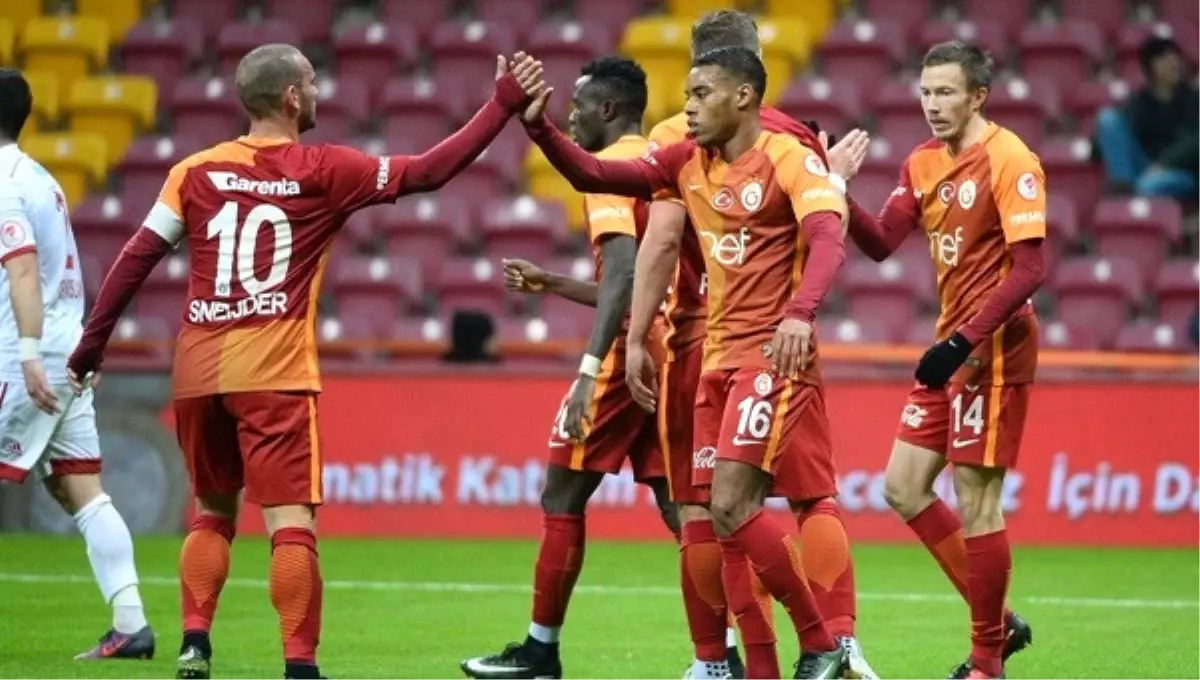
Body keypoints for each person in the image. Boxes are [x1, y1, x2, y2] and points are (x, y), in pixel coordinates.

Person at [65, 44, 541, 680]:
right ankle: (299, 667)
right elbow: (429, 172)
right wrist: (501, 105)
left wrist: (90, 346)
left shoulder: (194, 170)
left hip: (198, 370)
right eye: (312, 83)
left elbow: (135, 256)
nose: (319, 92)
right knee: (290, 526)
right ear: (291, 97)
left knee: (212, 512)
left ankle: (195, 641)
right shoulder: (324, 169)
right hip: (274, 371)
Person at [519, 46, 852, 680]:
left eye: (701, 94)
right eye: (689, 95)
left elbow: (828, 240)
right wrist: (540, 130)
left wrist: (799, 314)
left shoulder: (787, 156)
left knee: (731, 506)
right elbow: (594, 172)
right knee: (711, 517)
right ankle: (765, 666)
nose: (688, 107)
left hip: (766, 356)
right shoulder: (683, 162)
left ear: (743, 97)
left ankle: (819, 642)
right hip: (711, 362)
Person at [623, 11, 878, 680]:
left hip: (700, 337)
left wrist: (636, 335)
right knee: (811, 495)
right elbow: (831, 225)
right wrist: (838, 182)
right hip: (786, 341)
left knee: (708, 508)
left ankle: (720, 661)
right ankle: (840, 641)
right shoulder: (791, 133)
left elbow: (659, 242)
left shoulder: (674, 135)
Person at [460, 55, 681, 680]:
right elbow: (639, 280)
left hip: (628, 353)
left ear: (608, 109)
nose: (572, 116)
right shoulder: (659, 162)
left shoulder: (608, 172)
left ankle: (540, 652)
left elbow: (625, 275)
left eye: (579, 106)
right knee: (680, 508)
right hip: (672, 347)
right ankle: (724, 656)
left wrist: (588, 371)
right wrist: (554, 281)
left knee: (561, 492)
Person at [827, 41, 1043, 680]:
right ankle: (999, 624)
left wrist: (962, 342)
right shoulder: (921, 162)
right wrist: (836, 187)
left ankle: (985, 663)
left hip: (992, 346)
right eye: (925, 92)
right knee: (902, 486)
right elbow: (880, 243)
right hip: (952, 347)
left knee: (977, 499)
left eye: (946, 92)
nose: (932, 104)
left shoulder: (1010, 158)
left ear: (978, 96)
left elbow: (1030, 269)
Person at [0, 67, 154, 662]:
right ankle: (131, 625)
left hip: (27, 356)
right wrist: (81, 347)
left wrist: (29, 354)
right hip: (66, 349)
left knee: (79, 490)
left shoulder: (5, 183)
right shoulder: (39, 176)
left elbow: (22, 271)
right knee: (79, 491)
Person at [1094, 35, 1200, 198]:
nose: (1173, 63)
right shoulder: (1139, 102)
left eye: (1175, 57)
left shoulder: (1194, 99)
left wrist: (1165, 163)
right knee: (1107, 118)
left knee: (1148, 185)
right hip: (1145, 166)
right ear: (1150, 68)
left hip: (1182, 172)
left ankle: (1129, 200)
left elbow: (1195, 141)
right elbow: (1112, 137)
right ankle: (1124, 189)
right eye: (1163, 59)